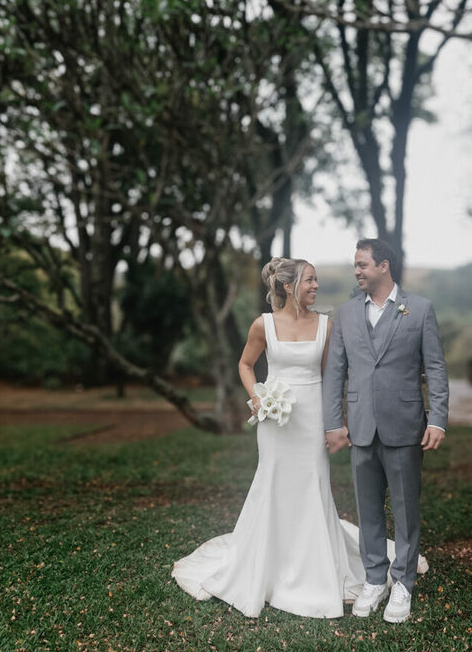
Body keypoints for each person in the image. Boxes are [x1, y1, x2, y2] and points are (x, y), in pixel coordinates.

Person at [172, 256, 424, 618]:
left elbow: (331, 377)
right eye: (309, 280)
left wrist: (335, 422)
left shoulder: (326, 326)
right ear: (289, 286)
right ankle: (269, 565)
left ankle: (314, 567)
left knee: (313, 483)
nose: (315, 286)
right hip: (275, 422)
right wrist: (258, 396)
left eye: (317, 280)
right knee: (274, 483)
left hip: (311, 417)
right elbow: (245, 365)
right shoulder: (263, 325)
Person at [323, 238, 449, 624]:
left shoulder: (420, 309)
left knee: (406, 509)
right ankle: (374, 579)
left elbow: (437, 368)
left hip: (406, 425)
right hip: (361, 427)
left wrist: (438, 418)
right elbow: (336, 373)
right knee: (367, 510)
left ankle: (403, 583)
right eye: (355, 265)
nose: (357, 271)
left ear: (384, 266)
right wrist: (334, 422)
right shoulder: (344, 314)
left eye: (363, 264)